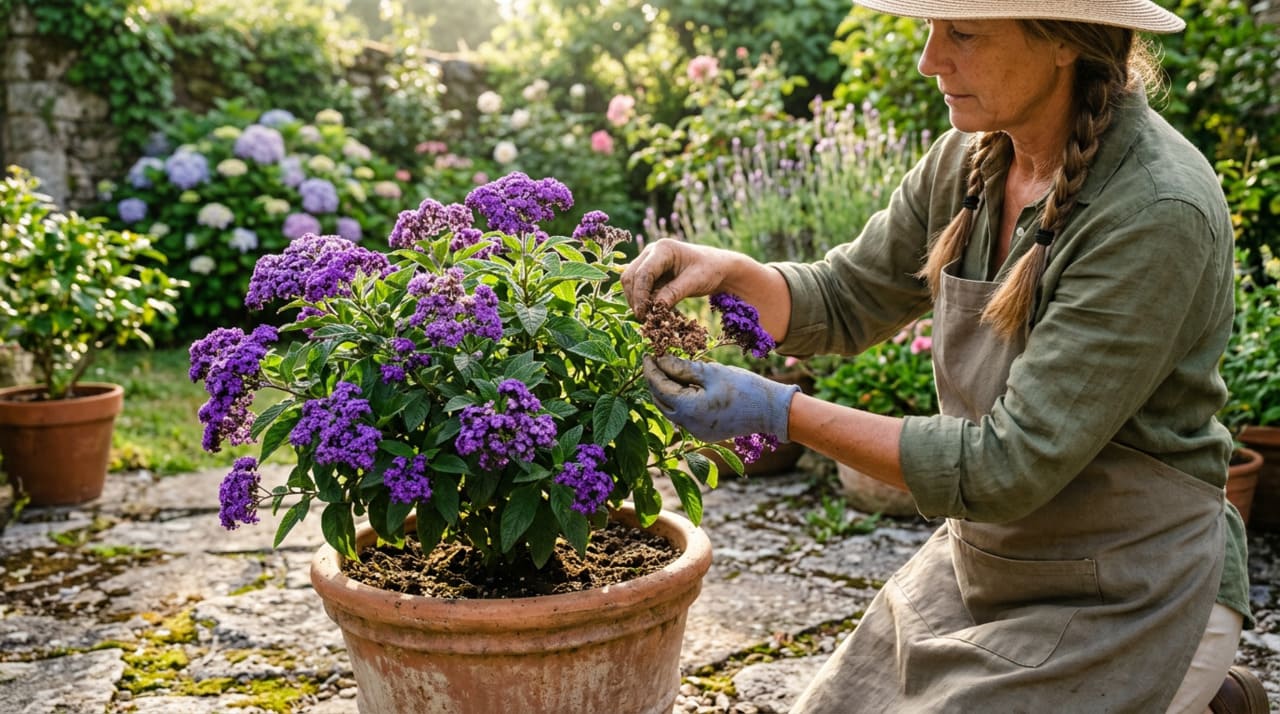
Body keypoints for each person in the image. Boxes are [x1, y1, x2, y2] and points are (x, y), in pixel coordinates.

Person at [621, 2, 1269, 712]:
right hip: (991, 566)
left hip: (1131, 590)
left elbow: (1006, 465)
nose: (931, 60)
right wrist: (730, 272)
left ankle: (1197, 686)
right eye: (930, 29)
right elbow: (843, 296)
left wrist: (777, 410)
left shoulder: (1155, 207)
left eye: (962, 33)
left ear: (1062, 40)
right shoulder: (972, 161)